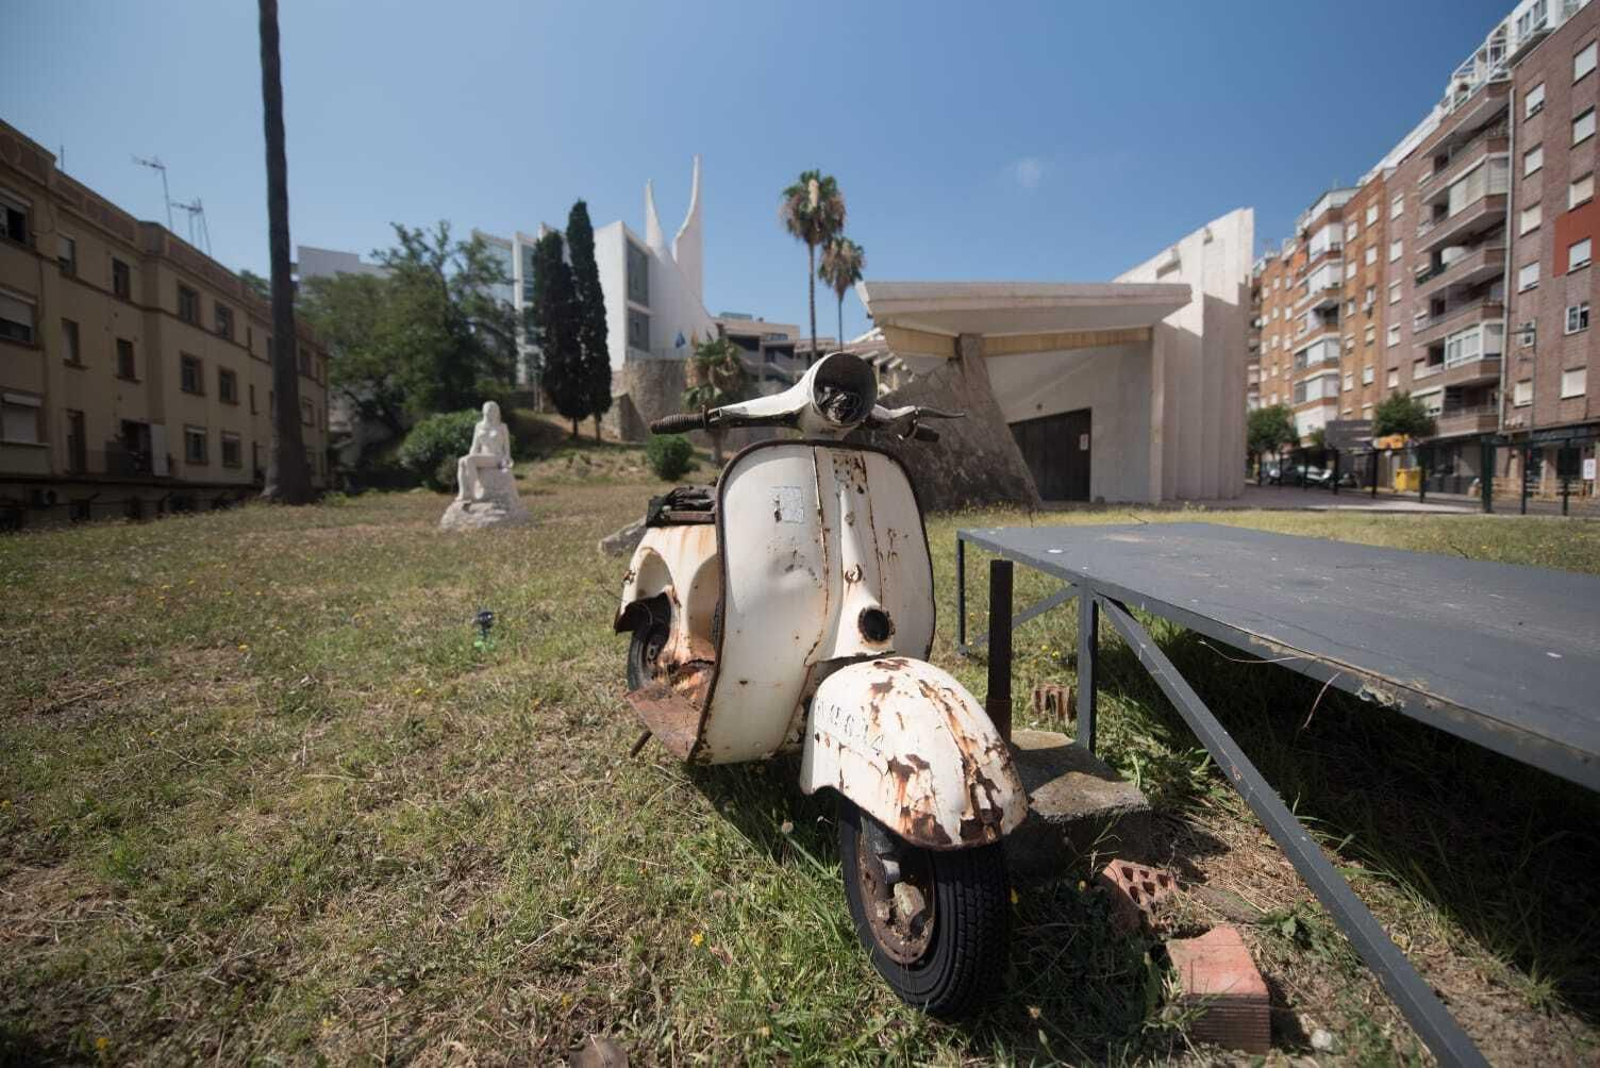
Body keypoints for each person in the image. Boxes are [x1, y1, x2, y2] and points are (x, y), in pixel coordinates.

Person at [455, 401, 513, 504]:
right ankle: (463, 492)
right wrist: (470, 455)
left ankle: (474, 493)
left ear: (497, 412)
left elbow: (507, 447)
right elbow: (474, 445)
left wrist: (507, 459)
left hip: (496, 457)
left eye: (494, 410)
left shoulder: (502, 427)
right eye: (489, 410)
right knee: (461, 461)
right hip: (483, 456)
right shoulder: (479, 426)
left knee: (470, 460)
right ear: (484, 411)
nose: (491, 412)